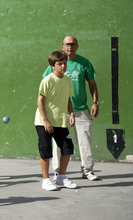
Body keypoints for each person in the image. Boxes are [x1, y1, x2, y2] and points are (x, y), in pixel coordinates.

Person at [43, 36, 99, 181]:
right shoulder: (55, 64)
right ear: (62, 47)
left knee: (85, 141)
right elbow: (46, 85)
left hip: (81, 109)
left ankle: (87, 170)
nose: (70, 46)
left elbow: (92, 83)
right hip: (60, 111)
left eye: (72, 44)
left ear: (77, 46)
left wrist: (95, 102)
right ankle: (57, 171)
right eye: (67, 44)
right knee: (57, 143)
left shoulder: (84, 63)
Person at [35, 51, 78, 191]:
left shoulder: (68, 80)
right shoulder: (47, 80)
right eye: (59, 64)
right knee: (45, 152)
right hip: (43, 122)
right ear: (52, 66)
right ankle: (46, 180)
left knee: (67, 149)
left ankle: (61, 177)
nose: (63, 66)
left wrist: (71, 114)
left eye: (64, 63)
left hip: (60, 122)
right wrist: (46, 120)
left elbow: (68, 99)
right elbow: (40, 101)